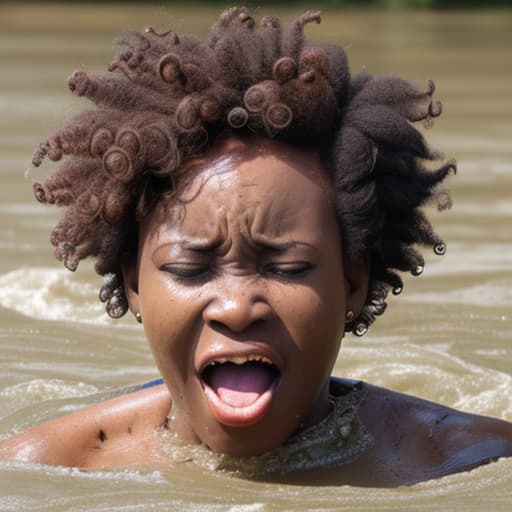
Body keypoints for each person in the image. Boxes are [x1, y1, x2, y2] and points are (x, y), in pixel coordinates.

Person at [0, 7, 510, 487]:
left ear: (352, 283)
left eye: (286, 267)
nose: (238, 308)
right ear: (134, 285)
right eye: (191, 269)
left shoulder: (469, 462)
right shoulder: (42, 467)